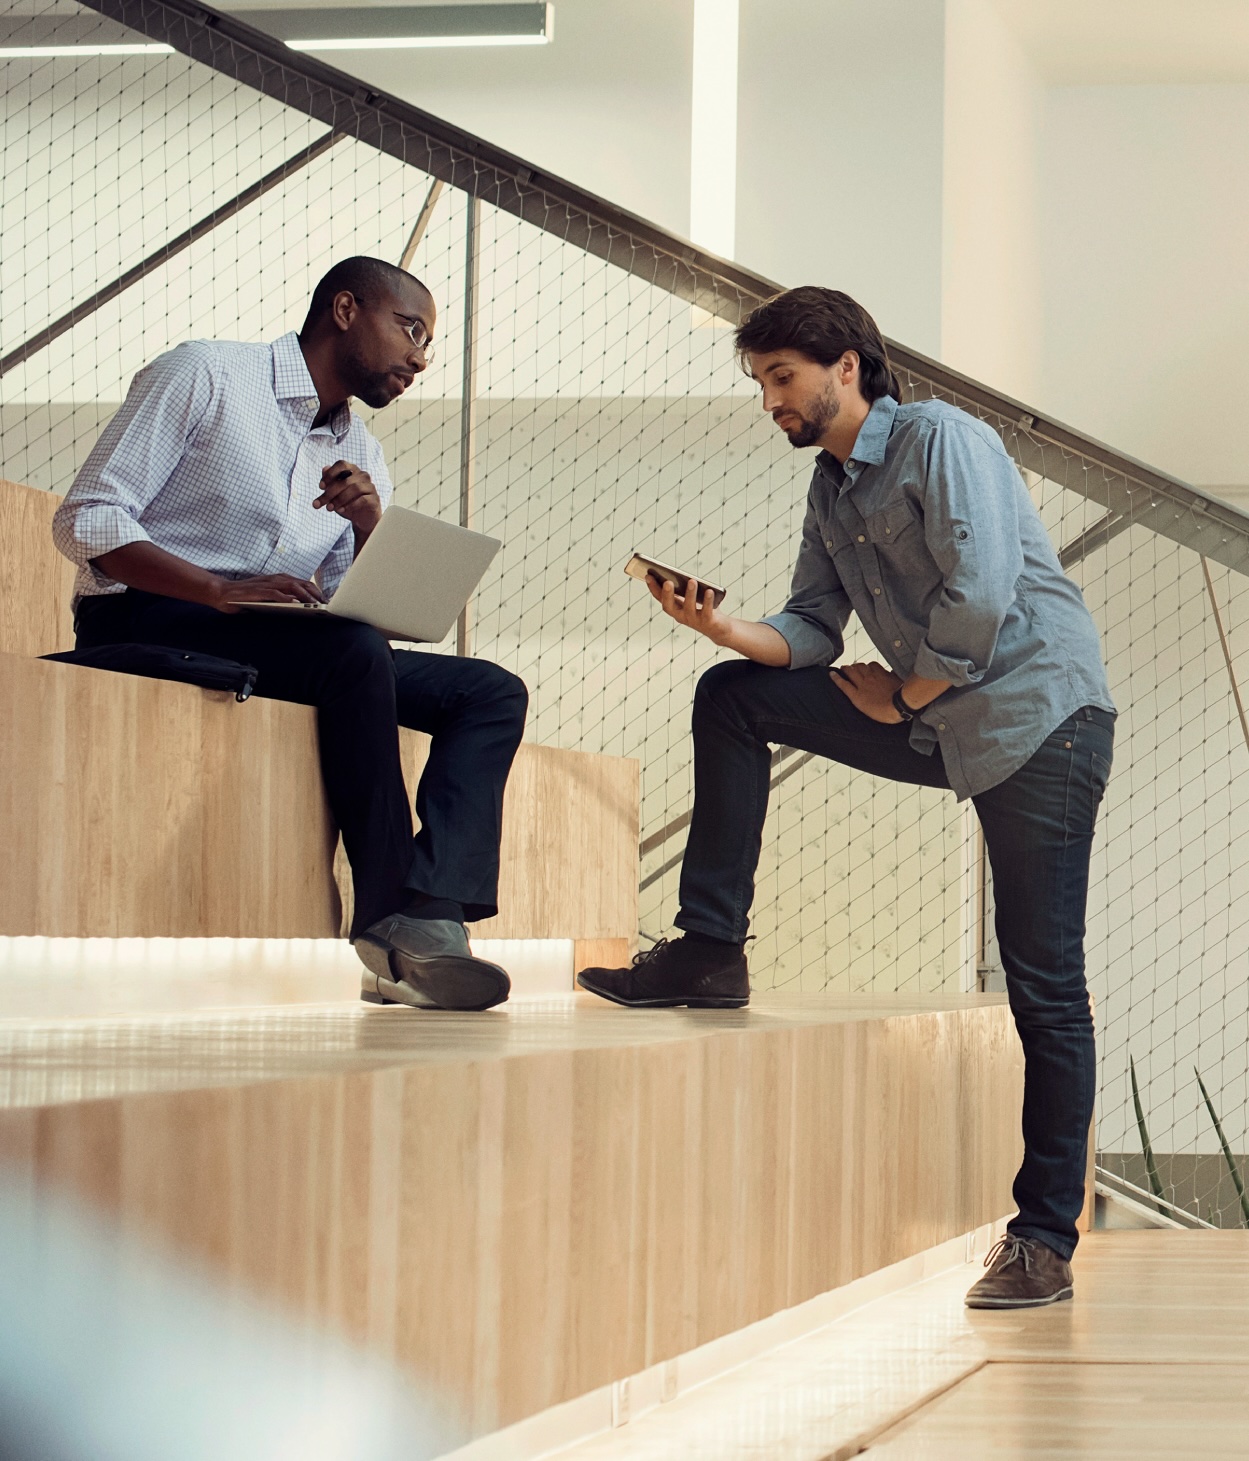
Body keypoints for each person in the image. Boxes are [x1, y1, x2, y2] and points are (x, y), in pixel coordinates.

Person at [577, 286, 1116, 1310]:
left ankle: (1042, 1241)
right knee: (732, 697)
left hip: (1037, 720)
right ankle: (707, 950)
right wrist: (726, 631)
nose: (769, 401)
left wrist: (902, 694)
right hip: (931, 711)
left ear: (846, 368)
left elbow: (983, 596)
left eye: (781, 378)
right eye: (761, 383)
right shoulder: (831, 491)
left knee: (1044, 983)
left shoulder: (943, 441)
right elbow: (813, 629)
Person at [53, 256, 528, 1012]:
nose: (419, 357)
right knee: (348, 653)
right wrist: (216, 587)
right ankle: (383, 918)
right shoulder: (205, 374)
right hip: (149, 611)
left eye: (429, 342)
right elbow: (89, 520)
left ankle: (433, 911)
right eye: (410, 329)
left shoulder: (362, 453)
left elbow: (349, 605)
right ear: (345, 309)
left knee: (489, 691)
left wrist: (373, 526)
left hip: (291, 639)